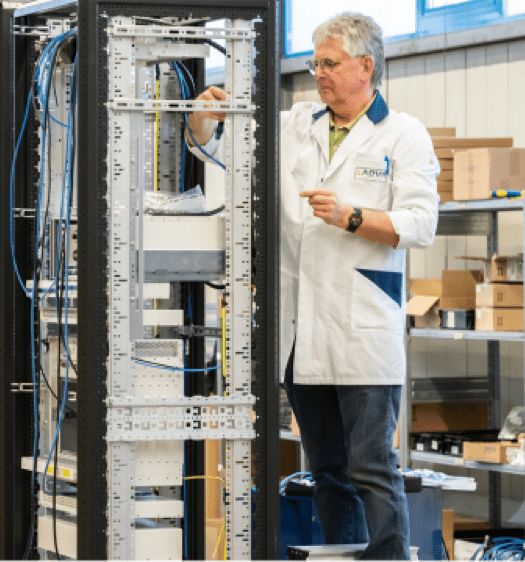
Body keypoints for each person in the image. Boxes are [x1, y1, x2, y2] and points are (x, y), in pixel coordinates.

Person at [186, 12, 439, 560]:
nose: (319, 73)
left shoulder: (403, 134)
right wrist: (203, 121)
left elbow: (420, 223)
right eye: (315, 63)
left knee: (371, 464)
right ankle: (345, 552)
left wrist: (351, 216)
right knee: (325, 466)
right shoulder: (296, 124)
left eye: (330, 63)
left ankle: (389, 556)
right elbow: (222, 146)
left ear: (365, 67)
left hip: (362, 328)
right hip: (302, 330)